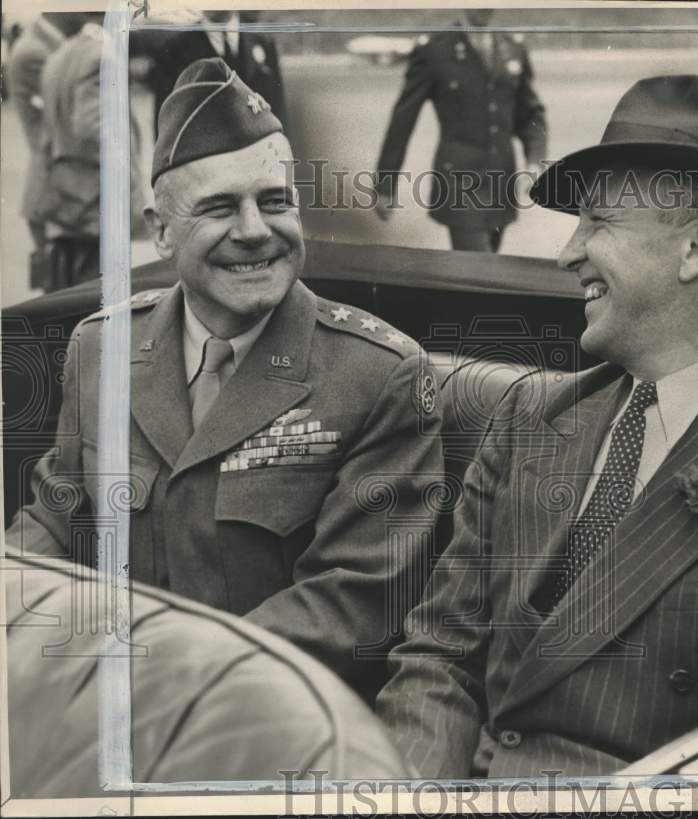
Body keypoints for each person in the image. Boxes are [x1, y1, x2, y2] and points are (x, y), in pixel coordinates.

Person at [377, 75, 698, 777]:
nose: (567, 253)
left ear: (696, 248)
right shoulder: (529, 416)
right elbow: (439, 655)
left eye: (598, 223)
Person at [6, 58, 444, 705]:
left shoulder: (377, 375)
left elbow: (353, 606)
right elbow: (59, 515)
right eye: (220, 208)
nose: (254, 231)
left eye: (275, 202)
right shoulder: (101, 348)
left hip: (272, 716)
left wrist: (157, 678)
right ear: (159, 231)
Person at [375, 8, 548, 253]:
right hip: (458, 184)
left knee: (487, 270)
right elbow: (403, 120)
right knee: (481, 271)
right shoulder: (435, 50)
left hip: (502, 182)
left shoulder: (513, 48)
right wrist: (385, 184)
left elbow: (531, 115)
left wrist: (535, 161)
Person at [36, 12, 146, 291]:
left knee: (69, 288)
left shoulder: (61, 53)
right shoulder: (101, 55)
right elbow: (90, 124)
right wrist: (125, 173)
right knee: (94, 294)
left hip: (67, 192)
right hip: (96, 198)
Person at [132, 9, 288, 137]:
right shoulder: (174, 52)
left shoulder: (263, 43)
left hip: (260, 162)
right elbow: (166, 130)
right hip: (206, 169)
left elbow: (279, 116)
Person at [6, 13, 69, 290]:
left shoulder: (47, 45)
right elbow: (62, 124)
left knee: (64, 290)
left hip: (59, 188)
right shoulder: (35, 52)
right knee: (61, 294)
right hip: (55, 188)